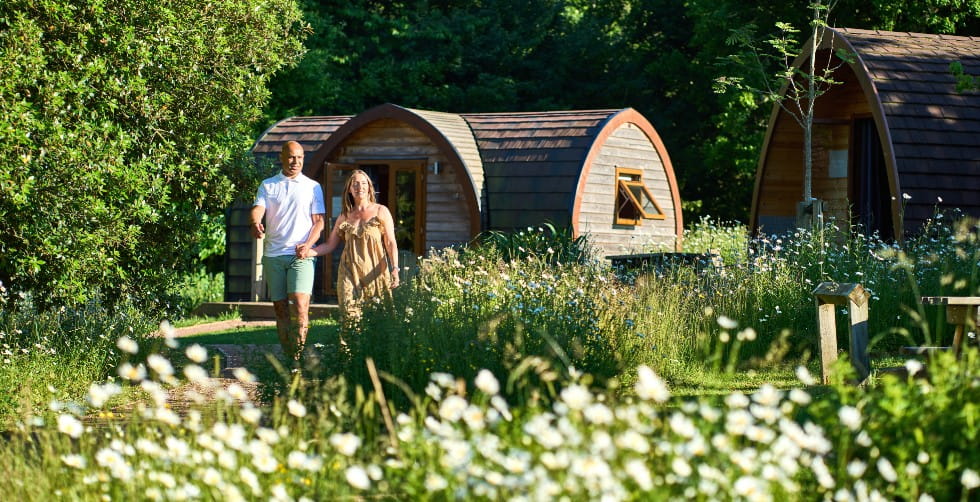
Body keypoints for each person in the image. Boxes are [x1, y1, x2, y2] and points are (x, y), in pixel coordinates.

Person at [298, 170, 399, 338]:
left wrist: (395, 268)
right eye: (355, 183)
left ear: (369, 188)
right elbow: (330, 245)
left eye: (363, 183)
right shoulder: (344, 216)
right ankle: (349, 356)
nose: (360, 186)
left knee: (381, 317)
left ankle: (378, 358)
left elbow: (390, 242)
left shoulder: (381, 211)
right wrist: (308, 252)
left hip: (375, 272)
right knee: (349, 315)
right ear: (350, 190)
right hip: (349, 271)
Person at [250, 141, 325, 361]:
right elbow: (258, 209)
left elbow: (319, 222)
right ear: (282, 158)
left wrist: (309, 245)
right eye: (292, 157)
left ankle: (297, 358)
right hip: (274, 255)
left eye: (300, 157)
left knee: (300, 305)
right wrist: (255, 223)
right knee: (281, 309)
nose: (296, 162)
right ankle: (287, 354)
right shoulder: (268, 185)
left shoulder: (312, 186)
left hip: (300, 255)